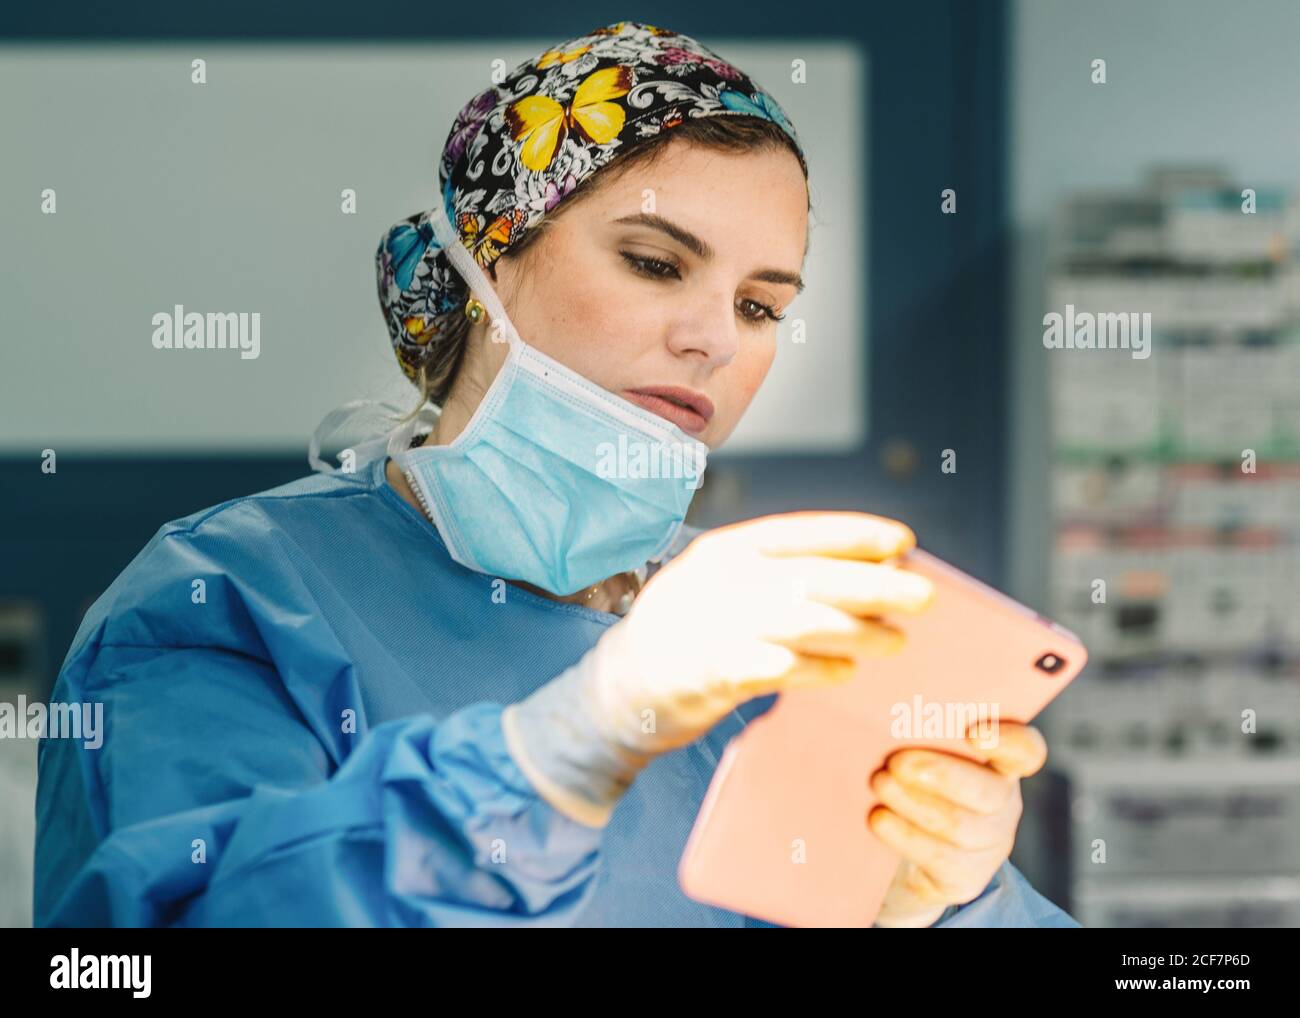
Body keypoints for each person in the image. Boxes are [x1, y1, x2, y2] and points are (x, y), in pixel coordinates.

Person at [34, 21, 1077, 928]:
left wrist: (940, 903)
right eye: (656, 263)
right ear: (481, 270)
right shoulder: (230, 601)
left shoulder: (765, 638)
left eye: (761, 307)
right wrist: (560, 749)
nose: (714, 338)